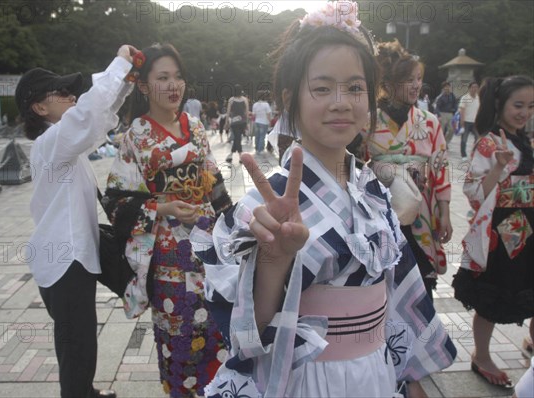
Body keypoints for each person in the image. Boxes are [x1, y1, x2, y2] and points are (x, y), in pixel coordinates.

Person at [190, 2, 456, 397]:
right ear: (289, 98)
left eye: (355, 87)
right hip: (306, 378)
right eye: (322, 87)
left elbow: (398, 293)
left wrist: (411, 377)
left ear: (370, 99)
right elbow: (246, 334)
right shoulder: (264, 207)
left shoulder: (374, 193)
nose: (341, 102)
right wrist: (274, 259)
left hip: (377, 371)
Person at [101, 43, 232, 397]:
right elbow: (116, 200)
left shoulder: (197, 127)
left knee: (219, 330)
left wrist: (235, 230)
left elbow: (215, 185)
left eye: (178, 77)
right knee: (179, 334)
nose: (173, 85)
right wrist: (163, 208)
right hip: (168, 255)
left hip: (209, 248)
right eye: (162, 78)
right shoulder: (137, 136)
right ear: (143, 86)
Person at [15, 44, 136, 398]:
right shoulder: (51, 143)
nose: (71, 96)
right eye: (62, 93)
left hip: (69, 260)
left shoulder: (61, 145)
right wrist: (120, 63)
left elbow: (97, 120)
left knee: (81, 342)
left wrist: (125, 82)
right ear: (40, 107)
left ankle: (85, 391)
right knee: (76, 348)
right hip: (63, 262)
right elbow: (87, 114)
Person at [453, 75, 534, 389]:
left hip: (526, 227)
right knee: (494, 293)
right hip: (503, 231)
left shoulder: (522, 137)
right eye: (518, 105)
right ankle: (482, 354)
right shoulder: (490, 142)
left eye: (530, 106)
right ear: (499, 104)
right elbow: (475, 192)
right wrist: (499, 169)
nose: (524, 112)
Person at [362, 40, 453, 301]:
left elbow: (440, 167)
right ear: (388, 85)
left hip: (422, 206)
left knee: (421, 281)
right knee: (386, 280)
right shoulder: (368, 120)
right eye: (409, 80)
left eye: (419, 78)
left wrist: (444, 212)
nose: (416, 85)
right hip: (380, 207)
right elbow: (356, 164)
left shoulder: (430, 122)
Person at [225, 84, 249, 164]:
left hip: (234, 122)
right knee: (238, 138)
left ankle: (233, 155)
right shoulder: (245, 99)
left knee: (237, 138)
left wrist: (226, 122)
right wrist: (247, 123)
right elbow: (247, 112)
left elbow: (228, 112)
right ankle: (236, 156)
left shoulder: (231, 99)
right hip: (243, 121)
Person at [458, 81, 481, 160]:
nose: (474, 89)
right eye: (473, 87)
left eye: (476, 87)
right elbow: (462, 110)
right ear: (469, 88)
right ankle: (463, 155)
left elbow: (479, 110)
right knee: (464, 139)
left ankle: (474, 153)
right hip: (466, 121)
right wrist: (462, 123)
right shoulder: (465, 98)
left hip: (475, 122)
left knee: (478, 138)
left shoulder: (479, 98)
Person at [251, 90, 272, 154]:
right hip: (264, 122)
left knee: (257, 136)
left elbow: (253, 114)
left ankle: (257, 148)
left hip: (257, 121)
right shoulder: (266, 104)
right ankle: (261, 149)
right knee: (262, 136)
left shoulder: (255, 104)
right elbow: (268, 114)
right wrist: (270, 121)